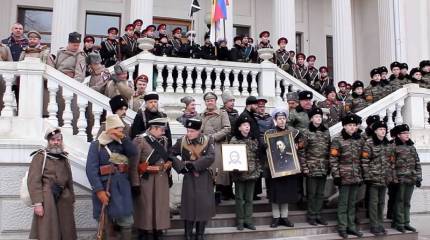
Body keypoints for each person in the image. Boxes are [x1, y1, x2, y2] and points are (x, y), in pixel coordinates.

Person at [86, 114, 138, 240]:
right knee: (105, 224)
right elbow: (91, 170)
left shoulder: (122, 144)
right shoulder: (97, 145)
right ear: (109, 129)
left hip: (122, 188)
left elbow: (134, 152)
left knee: (127, 222)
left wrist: (124, 138)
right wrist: (99, 191)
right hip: (106, 188)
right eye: (117, 130)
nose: (120, 133)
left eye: (121, 131)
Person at [170, 118, 216, 240]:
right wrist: (181, 167)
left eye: (191, 131)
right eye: (188, 130)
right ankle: (187, 234)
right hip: (189, 176)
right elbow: (170, 154)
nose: (188, 133)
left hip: (203, 176)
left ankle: (200, 234)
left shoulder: (207, 140)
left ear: (198, 131)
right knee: (188, 204)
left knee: (203, 205)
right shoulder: (182, 141)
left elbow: (211, 157)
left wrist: (195, 164)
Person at [27, 127, 77, 240]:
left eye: (58, 140)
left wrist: (72, 199)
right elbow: (33, 181)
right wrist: (38, 203)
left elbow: (69, 180)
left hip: (64, 198)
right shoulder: (40, 157)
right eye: (53, 140)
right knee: (48, 232)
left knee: (66, 231)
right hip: (47, 199)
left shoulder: (64, 157)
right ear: (48, 141)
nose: (56, 142)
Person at [131, 118, 172, 240]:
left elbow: (166, 158)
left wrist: (169, 173)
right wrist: (135, 183)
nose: (163, 132)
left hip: (161, 178)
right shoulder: (140, 140)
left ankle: (157, 230)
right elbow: (134, 164)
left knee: (159, 206)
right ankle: (144, 232)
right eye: (161, 129)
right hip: (146, 179)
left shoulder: (164, 140)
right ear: (152, 128)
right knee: (146, 207)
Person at [265, 108, 304, 228]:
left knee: (286, 193)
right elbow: (265, 150)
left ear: (286, 119)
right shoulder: (269, 133)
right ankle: (276, 217)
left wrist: (298, 146)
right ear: (275, 120)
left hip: (288, 168)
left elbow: (302, 144)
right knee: (275, 194)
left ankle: (285, 217)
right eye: (279, 118)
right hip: (274, 169)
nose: (281, 121)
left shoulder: (293, 132)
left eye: (283, 118)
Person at [329, 113, 364, 238]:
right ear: (344, 126)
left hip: (355, 176)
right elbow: (333, 159)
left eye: (354, 125)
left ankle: (351, 227)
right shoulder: (337, 140)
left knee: (352, 203)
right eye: (349, 125)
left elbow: (361, 159)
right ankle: (342, 227)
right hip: (343, 177)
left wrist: (361, 175)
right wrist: (336, 176)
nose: (352, 128)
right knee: (343, 203)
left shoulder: (359, 139)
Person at [361, 120, 395, 236]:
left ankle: (380, 224)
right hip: (373, 178)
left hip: (384, 178)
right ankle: (374, 225)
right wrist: (367, 177)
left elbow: (391, 162)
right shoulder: (369, 143)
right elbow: (365, 161)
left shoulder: (387, 144)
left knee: (381, 202)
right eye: (380, 129)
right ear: (375, 131)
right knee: (373, 203)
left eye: (384, 129)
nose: (383, 131)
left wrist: (390, 176)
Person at [298, 108, 330, 226]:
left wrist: (329, 165)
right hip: (311, 167)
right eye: (316, 117)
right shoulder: (306, 132)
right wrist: (305, 167)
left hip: (323, 167)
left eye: (320, 117)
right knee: (311, 193)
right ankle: (311, 215)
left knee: (320, 193)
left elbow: (329, 149)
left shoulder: (326, 132)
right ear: (311, 119)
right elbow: (302, 151)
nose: (318, 119)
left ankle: (318, 214)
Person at [199, 92, 231, 202]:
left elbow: (227, 128)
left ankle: (218, 195)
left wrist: (213, 137)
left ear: (215, 101)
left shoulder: (222, 113)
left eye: (211, 100)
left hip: (217, 144)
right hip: (204, 146)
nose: (209, 102)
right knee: (207, 170)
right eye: (207, 100)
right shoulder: (201, 115)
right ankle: (208, 195)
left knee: (218, 172)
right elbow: (198, 130)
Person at [230, 116, 261, 231]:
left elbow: (257, 157)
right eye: (244, 125)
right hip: (239, 174)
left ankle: (248, 220)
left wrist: (257, 171)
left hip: (252, 173)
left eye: (248, 125)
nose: (247, 127)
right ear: (239, 128)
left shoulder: (254, 139)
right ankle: (240, 221)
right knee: (239, 198)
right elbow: (230, 157)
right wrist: (234, 169)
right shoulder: (234, 140)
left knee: (249, 199)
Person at [391, 124, 422, 233]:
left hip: (411, 178)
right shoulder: (394, 147)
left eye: (408, 133)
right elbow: (392, 164)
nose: (407, 135)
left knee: (407, 202)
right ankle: (399, 223)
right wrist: (394, 179)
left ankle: (406, 222)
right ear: (398, 135)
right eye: (404, 133)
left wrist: (419, 177)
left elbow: (417, 163)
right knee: (399, 200)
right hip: (400, 179)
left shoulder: (411, 147)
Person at [19, 31, 53, 117]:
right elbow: (19, 65)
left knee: (40, 107)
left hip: (40, 84)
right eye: (30, 39)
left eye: (34, 39)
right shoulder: (24, 51)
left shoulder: (44, 52)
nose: (32, 40)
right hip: (26, 84)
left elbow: (51, 68)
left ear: (39, 40)